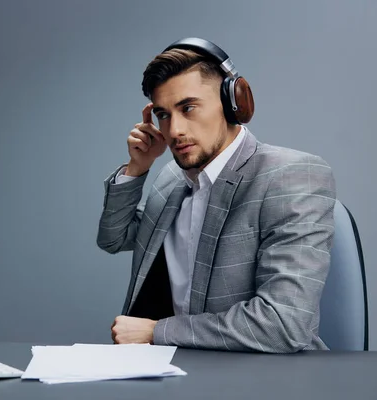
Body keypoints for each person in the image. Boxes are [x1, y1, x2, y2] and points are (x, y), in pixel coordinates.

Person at [96, 37, 336, 353]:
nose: (174, 130)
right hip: (179, 370)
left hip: (264, 377)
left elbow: (282, 325)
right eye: (163, 114)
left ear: (232, 102)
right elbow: (114, 239)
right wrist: (138, 168)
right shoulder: (171, 179)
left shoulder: (291, 176)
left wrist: (157, 331)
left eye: (188, 107)